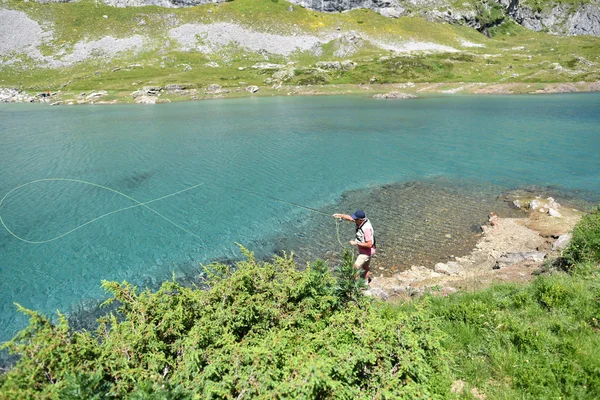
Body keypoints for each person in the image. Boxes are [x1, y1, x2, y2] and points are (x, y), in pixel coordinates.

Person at [332, 209, 376, 283]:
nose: (354, 220)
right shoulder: (361, 221)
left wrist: (356, 243)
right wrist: (339, 215)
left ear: (360, 220)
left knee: (354, 269)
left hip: (366, 252)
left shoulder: (366, 229)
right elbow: (350, 218)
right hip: (367, 251)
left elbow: (369, 244)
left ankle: (357, 286)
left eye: (355, 219)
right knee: (365, 267)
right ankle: (365, 282)